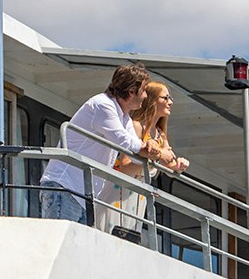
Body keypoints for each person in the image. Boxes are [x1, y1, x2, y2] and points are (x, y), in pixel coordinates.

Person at [39, 64, 177, 225]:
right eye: (144, 90)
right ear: (132, 91)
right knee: (62, 246)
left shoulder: (123, 117)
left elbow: (136, 155)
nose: (146, 96)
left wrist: (151, 149)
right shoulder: (103, 105)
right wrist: (159, 153)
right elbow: (124, 141)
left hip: (83, 194)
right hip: (65, 186)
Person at [112, 81, 189, 235]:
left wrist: (178, 165)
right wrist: (153, 160)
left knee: (130, 236)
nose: (170, 102)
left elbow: (168, 165)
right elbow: (125, 166)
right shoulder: (136, 126)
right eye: (165, 98)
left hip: (139, 193)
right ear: (152, 100)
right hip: (118, 190)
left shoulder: (160, 134)